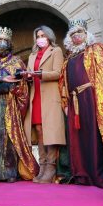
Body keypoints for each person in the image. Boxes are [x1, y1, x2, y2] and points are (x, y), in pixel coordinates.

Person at [59, 19, 103, 187]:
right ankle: (82, 175)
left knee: (93, 136)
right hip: (75, 102)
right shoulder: (69, 59)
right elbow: (63, 83)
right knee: (78, 139)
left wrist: (101, 99)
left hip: (91, 99)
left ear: (86, 34)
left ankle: (98, 175)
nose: (76, 36)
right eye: (72, 34)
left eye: (79, 32)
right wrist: (65, 103)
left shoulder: (96, 50)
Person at [0, 27, 39, 182]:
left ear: (9, 44)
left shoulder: (17, 61)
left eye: (5, 41)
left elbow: (24, 84)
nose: (2, 44)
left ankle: (9, 172)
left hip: (8, 103)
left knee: (7, 137)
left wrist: (19, 84)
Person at [23, 25, 66, 183]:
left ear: (49, 36)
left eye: (43, 35)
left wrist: (40, 74)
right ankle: (42, 166)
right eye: (38, 36)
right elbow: (29, 72)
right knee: (39, 130)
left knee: (50, 132)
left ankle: (51, 167)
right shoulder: (33, 55)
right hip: (36, 95)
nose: (40, 38)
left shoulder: (56, 51)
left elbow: (58, 72)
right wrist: (27, 76)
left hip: (50, 96)